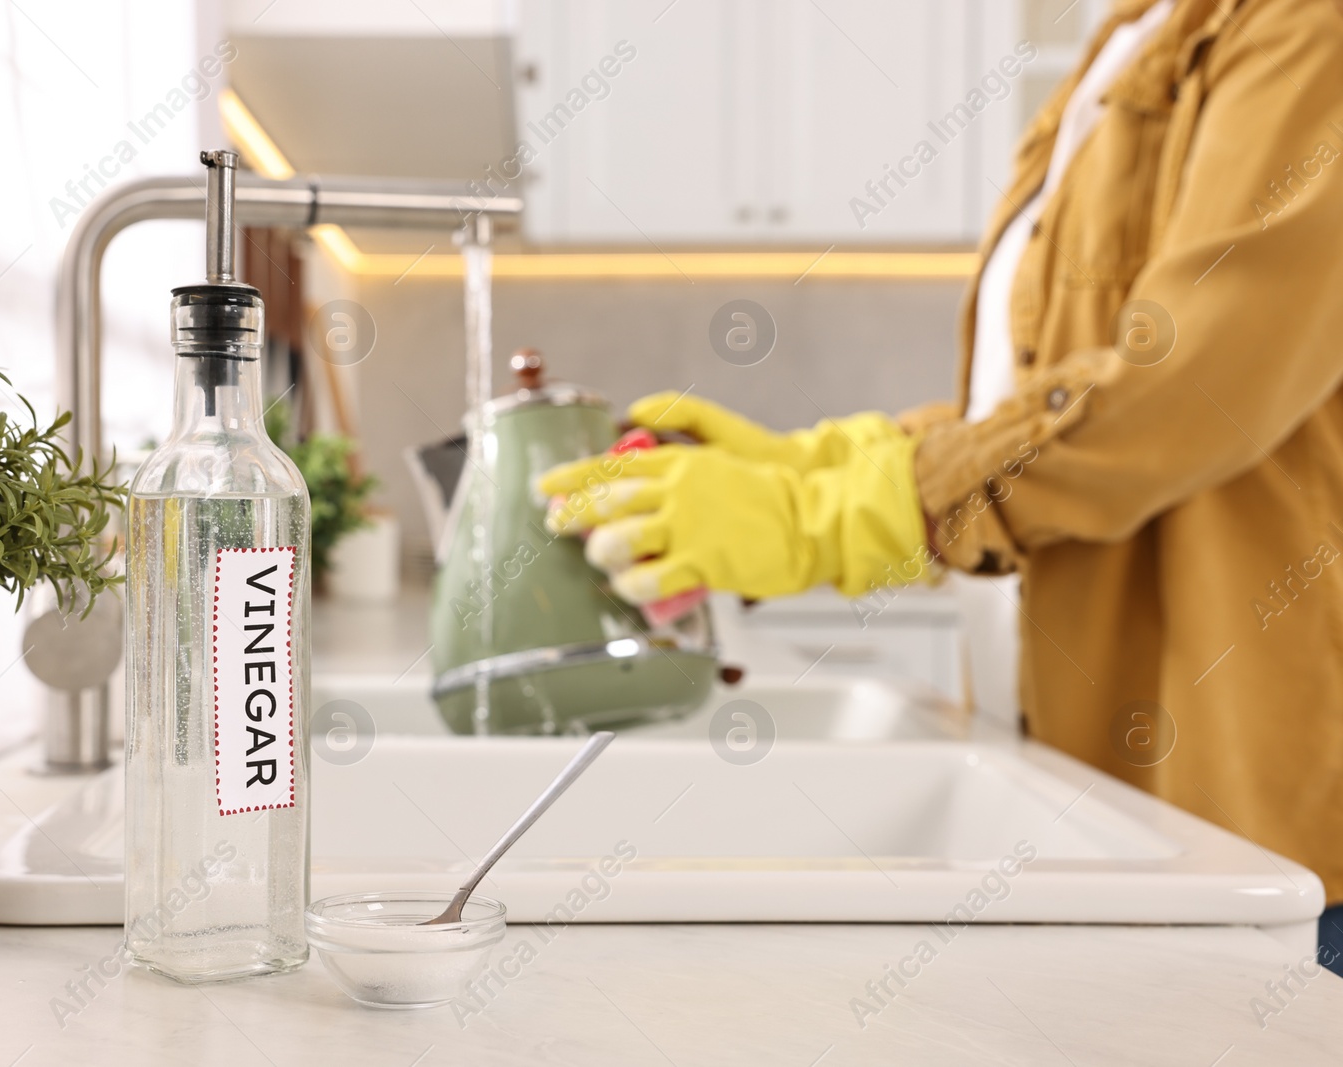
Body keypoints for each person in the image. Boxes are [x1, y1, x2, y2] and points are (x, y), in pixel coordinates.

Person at [541, 0, 1343, 972]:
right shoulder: (1132, 37)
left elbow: (1189, 385)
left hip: (1244, 803)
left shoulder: (1307, 26)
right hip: (1098, 778)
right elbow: (1046, 388)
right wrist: (819, 464)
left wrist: (847, 513)